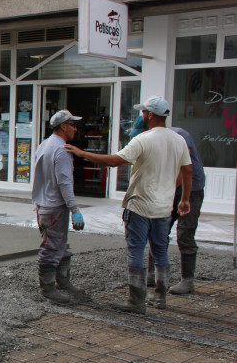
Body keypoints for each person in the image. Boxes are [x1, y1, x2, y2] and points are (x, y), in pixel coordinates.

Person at [66, 96, 191, 314]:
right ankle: (160, 296)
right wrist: (183, 198)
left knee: (135, 250)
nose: (141, 116)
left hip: (140, 206)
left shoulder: (143, 139)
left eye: (143, 112)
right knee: (160, 250)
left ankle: (136, 300)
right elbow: (187, 171)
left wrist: (82, 153)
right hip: (164, 208)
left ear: (150, 115)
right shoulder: (178, 139)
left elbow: (115, 161)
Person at [31, 110, 87, 304]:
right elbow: (64, 183)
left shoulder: (44, 145)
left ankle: (62, 282)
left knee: (59, 244)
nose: (75, 129)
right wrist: (75, 210)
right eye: (73, 125)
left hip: (44, 204)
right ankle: (48, 288)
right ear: (63, 126)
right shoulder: (62, 150)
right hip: (54, 206)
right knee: (52, 246)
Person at [165, 126, 206, 294]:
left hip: (191, 189)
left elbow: (185, 168)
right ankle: (157, 274)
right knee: (159, 228)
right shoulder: (151, 139)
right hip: (172, 186)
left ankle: (187, 281)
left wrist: (166, 191)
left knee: (184, 233)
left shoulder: (179, 135)